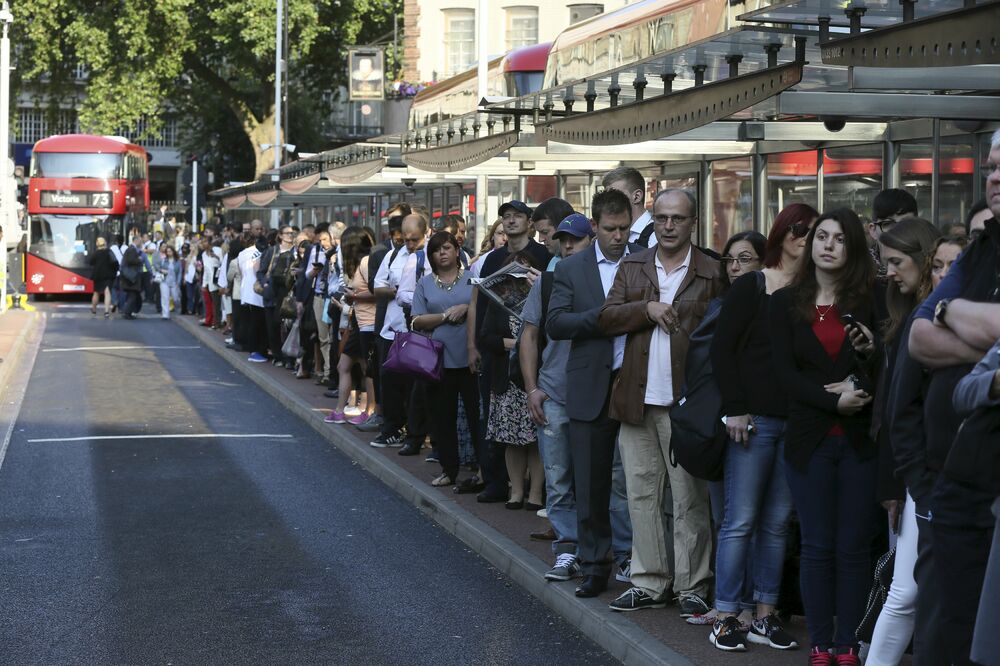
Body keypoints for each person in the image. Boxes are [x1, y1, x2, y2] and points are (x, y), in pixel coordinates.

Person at [597, 188, 719, 613]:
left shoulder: (710, 270)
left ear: (692, 223)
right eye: (662, 218)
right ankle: (649, 582)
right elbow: (606, 318)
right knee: (641, 496)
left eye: (678, 219)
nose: (668, 226)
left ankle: (692, 586)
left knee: (689, 499)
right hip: (636, 399)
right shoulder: (633, 265)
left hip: (686, 405)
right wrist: (645, 308)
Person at [768, 208, 881, 665]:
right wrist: (832, 400)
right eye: (821, 236)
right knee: (816, 545)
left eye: (839, 239)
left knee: (854, 549)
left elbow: (886, 372)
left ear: (852, 248)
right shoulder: (782, 303)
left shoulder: (871, 300)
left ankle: (847, 646)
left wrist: (868, 365)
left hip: (859, 442)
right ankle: (819, 644)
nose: (828, 244)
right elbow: (783, 375)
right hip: (809, 440)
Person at [905, 131, 1000, 665]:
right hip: (958, 481)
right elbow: (920, 336)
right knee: (949, 634)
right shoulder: (984, 248)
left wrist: (950, 314)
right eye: (990, 166)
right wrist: (954, 317)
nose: (994, 177)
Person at [707, 204, 818, 651]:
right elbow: (721, 350)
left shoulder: (814, 290)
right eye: (797, 228)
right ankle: (728, 614)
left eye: (814, 231)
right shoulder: (753, 285)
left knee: (776, 523)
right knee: (740, 520)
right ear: (780, 232)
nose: (805, 237)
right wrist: (735, 407)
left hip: (797, 421)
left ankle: (766, 614)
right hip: (752, 421)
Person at [546, 192, 637, 597]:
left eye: (624, 229)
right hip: (588, 387)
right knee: (590, 483)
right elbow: (555, 323)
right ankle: (595, 564)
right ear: (595, 227)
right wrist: (601, 320)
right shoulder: (570, 268)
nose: (618, 236)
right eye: (611, 229)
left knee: (639, 483)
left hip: (638, 384)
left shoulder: (646, 262)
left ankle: (638, 561)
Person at [864, 217, 940, 666]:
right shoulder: (907, 317)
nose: (889, 272)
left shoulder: (924, 315)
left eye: (895, 261)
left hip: (927, 468)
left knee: (910, 590)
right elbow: (896, 409)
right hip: (918, 471)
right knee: (906, 590)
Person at [520, 212, 593, 580]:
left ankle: (610, 552)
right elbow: (529, 335)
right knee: (559, 479)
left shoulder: (604, 279)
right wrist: (533, 388)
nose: (567, 246)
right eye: (562, 240)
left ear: (589, 241)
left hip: (596, 394)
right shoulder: (546, 282)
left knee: (602, 479)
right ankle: (567, 549)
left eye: (575, 240)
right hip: (554, 393)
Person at [410, 231, 480, 487]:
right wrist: (445, 316)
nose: (442, 253)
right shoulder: (425, 283)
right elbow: (416, 320)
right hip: (436, 361)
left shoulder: (472, 280)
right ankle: (448, 469)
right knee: (442, 418)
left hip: (470, 358)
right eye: (437, 249)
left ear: (457, 251)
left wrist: (467, 309)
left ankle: (483, 469)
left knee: (476, 417)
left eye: (447, 247)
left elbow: (484, 308)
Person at [481, 249, 546, 509]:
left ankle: (536, 494)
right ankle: (516, 491)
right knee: (511, 439)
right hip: (506, 380)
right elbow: (485, 337)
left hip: (535, 379)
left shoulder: (545, 297)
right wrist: (511, 343)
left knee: (536, 439)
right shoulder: (498, 303)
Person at [326, 226, 377, 425]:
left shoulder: (365, 263)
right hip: (358, 321)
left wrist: (353, 296)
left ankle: (370, 410)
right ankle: (341, 410)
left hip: (368, 322)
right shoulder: (359, 264)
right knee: (344, 365)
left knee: (367, 369)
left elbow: (379, 292)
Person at [257, 225, 296, 367]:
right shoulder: (272, 251)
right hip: (272, 294)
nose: (290, 236)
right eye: (287, 233)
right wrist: (265, 284)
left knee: (286, 326)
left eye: (292, 233)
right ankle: (278, 355)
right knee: (273, 326)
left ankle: (288, 357)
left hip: (287, 295)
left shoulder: (296, 251)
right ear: (280, 235)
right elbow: (261, 271)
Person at [602, 166, 653, 247]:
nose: (607, 202)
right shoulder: (616, 233)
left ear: (637, 197)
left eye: (614, 196)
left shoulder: (655, 236)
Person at [530, 198, 575, 267]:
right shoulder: (554, 260)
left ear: (563, 228)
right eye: (539, 233)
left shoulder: (587, 261)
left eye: (545, 232)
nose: (540, 239)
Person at [88, 237, 118, 318]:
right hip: (108, 275)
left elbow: (90, 262)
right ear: (105, 243)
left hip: (98, 275)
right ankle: (106, 311)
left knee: (96, 292)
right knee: (107, 292)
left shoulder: (96, 253)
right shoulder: (109, 252)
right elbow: (115, 262)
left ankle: (94, 310)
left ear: (97, 244)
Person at [120, 236, 144, 319]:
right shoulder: (132, 250)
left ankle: (128, 312)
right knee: (132, 296)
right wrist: (139, 259)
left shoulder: (130, 249)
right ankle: (127, 312)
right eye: (140, 241)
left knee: (133, 295)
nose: (141, 243)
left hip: (130, 277)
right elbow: (131, 260)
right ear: (136, 240)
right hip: (131, 277)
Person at [157, 244, 183, 320]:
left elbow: (180, 272)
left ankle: (177, 308)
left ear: (173, 252)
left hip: (174, 282)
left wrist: (178, 282)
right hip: (164, 281)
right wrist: (162, 270)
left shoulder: (177, 261)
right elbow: (158, 268)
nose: (168, 253)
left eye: (170, 251)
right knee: (165, 297)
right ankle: (165, 314)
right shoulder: (164, 260)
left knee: (176, 298)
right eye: (167, 251)